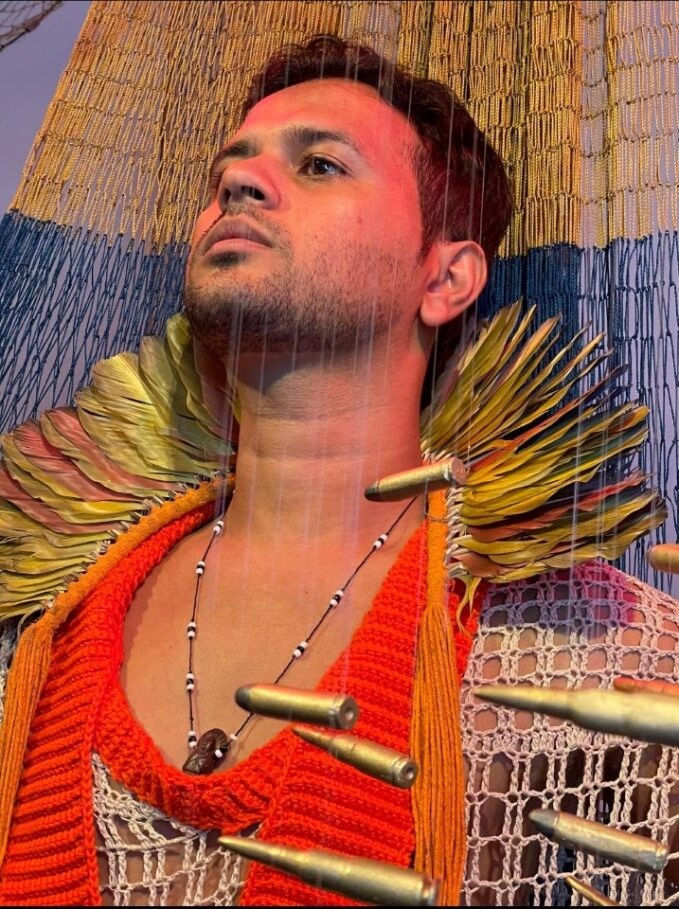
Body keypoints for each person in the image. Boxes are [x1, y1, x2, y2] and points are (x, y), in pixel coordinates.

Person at [0, 33, 677, 908]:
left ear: (445, 277)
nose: (239, 185)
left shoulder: (574, 643)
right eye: (224, 175)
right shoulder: (40, 631)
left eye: (319, 165)